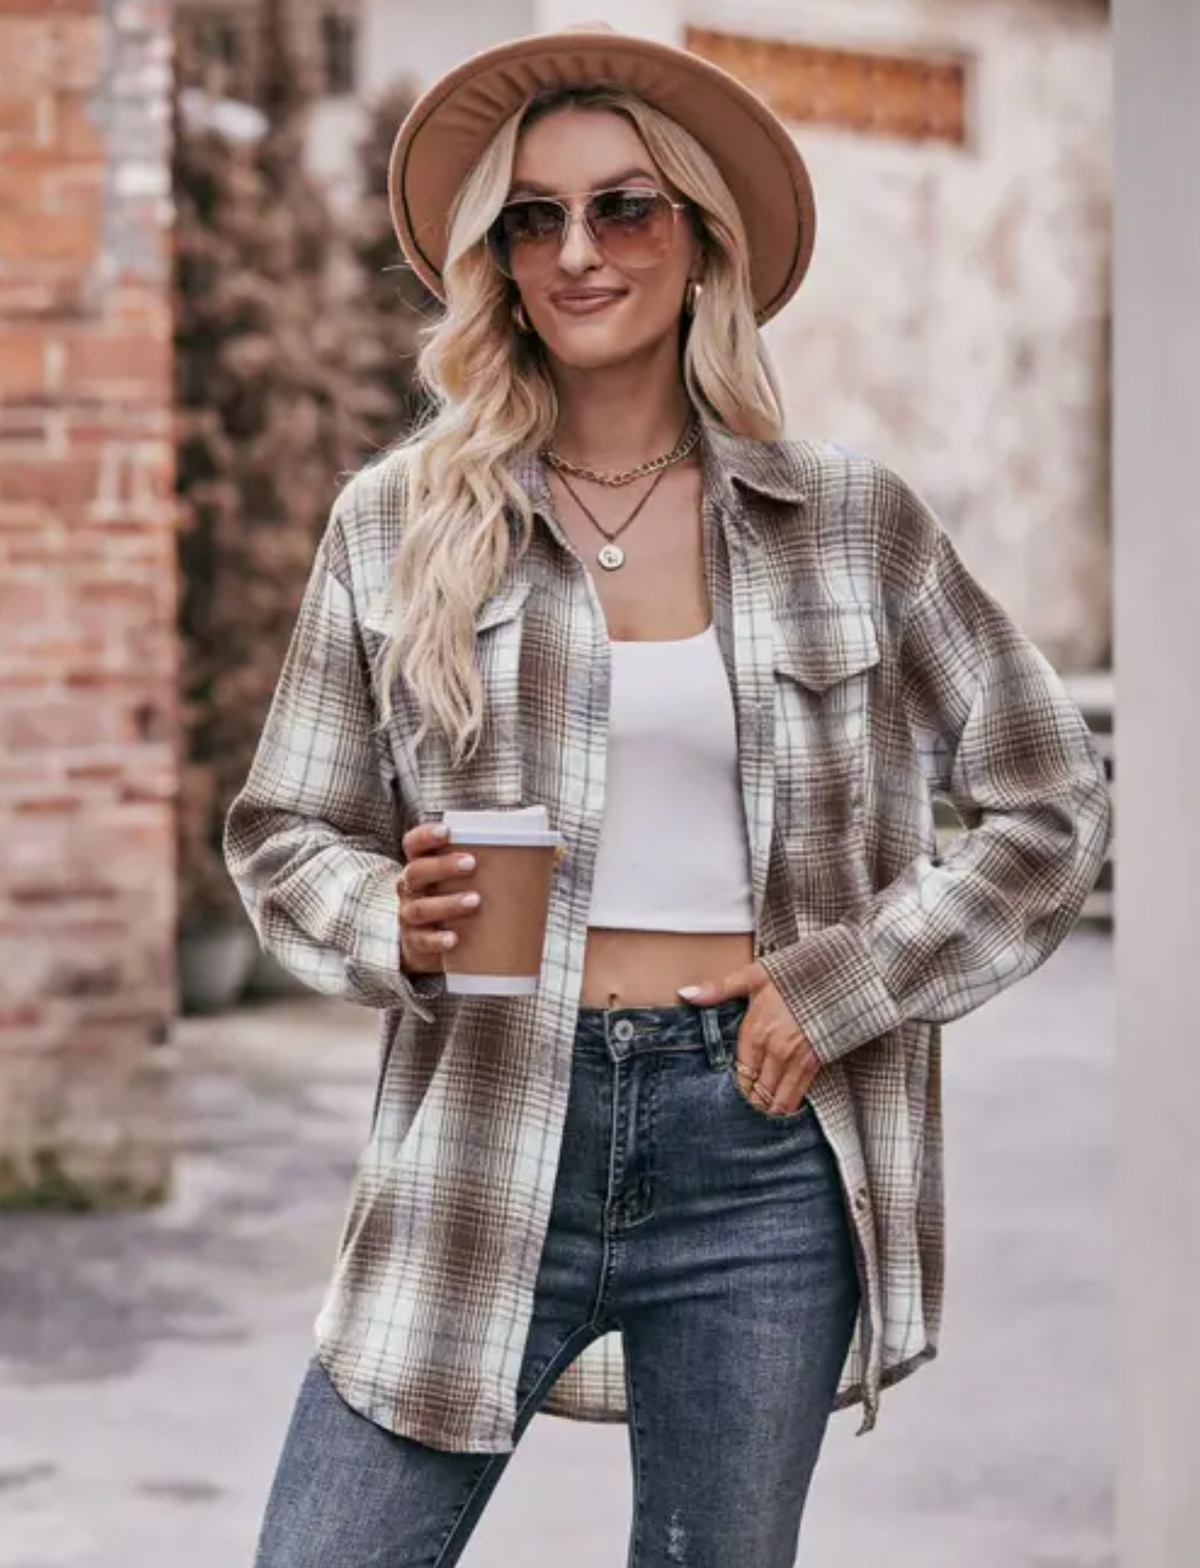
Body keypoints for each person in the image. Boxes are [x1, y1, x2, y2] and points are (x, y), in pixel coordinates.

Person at [225, 26, 1112, 1568]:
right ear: (494, 262)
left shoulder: (847, 522)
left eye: (624, 208)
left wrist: (847, 982)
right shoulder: (398, 523)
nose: (577, 252)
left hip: (761, 1146)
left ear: (701, 239)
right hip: (493, 1108)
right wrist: (392, 914)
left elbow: (1049, 802)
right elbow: (284, 830)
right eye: (532, 218)